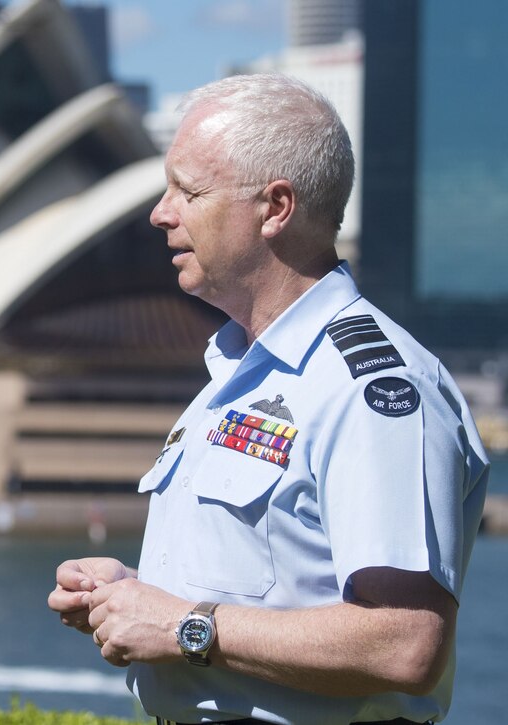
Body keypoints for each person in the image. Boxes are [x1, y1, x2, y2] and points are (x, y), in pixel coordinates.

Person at [48, 74, 488, 725]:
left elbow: (404, 641)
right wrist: (132, 595)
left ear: (275, 207)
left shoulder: (369, 389)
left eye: (188, 191)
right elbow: (266, 581)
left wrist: (184, 627)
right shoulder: (238, 374)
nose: (160, 212)